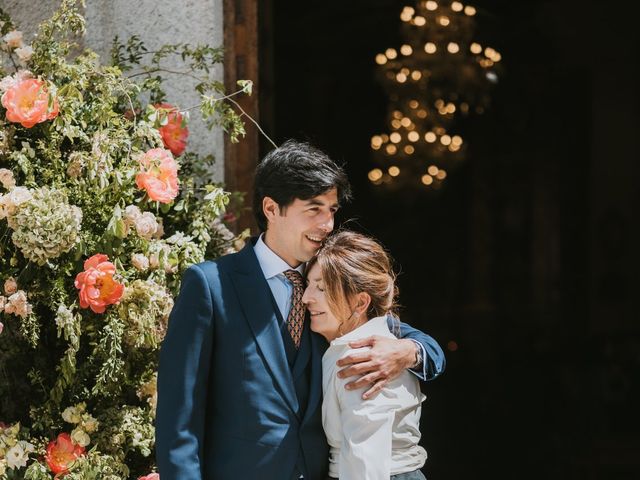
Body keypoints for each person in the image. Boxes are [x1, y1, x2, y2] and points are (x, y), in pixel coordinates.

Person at [155, 140, 445, 480]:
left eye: (332, 210)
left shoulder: (332, 281)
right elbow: (179, 420)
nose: (327, 224)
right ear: (271, 208)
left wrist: (407, 351)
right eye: (314, 209)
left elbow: (425, 347)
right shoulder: (211, 286)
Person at [303, 230, 433, 480]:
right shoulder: (348, 346)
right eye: (308, 285)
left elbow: (365, 462)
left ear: (360, 303)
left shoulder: (363, 358)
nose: (307, 298)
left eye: (321, 288)